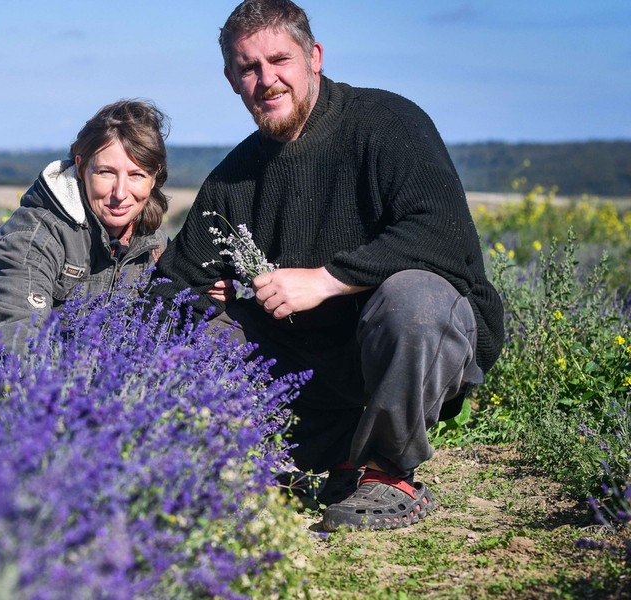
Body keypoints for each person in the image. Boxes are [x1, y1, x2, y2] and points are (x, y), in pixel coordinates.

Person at [151, 0, 504, 531]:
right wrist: (220, 297)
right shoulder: (233, 179)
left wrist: (326, 280)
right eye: (249, 68)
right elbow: (168, 286)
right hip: (315, 377)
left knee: (413, 299)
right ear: (231, 79)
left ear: (313, 57)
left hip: (414, 349)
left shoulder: (387, 124)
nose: (266, 80)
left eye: (279, 60)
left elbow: (440, 233)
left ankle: (389, 473)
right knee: (197, 325)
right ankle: (313, 454)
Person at [0, 99, 177, 396]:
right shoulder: (34, 234)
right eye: (106, 172)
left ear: (154, 177)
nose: (120, 192)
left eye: (136, 175)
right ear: (81, 166)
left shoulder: (152, 244)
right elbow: (14, 336)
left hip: (70, 370)